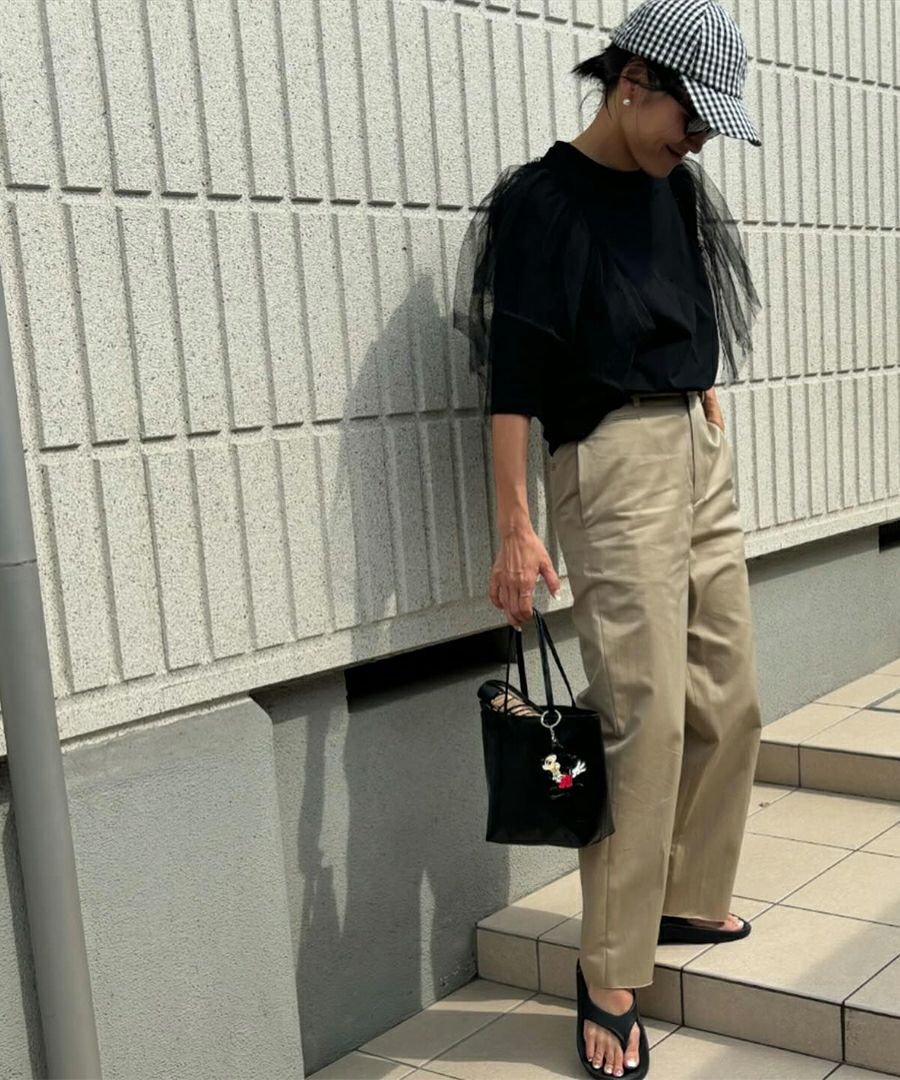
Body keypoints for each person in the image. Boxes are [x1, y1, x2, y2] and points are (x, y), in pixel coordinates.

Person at [452, 0, 764, 1076]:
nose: (699, 142)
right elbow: (515, 379)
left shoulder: (670, 185)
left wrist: (699, 394)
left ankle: (682, 895)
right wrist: (514, 525)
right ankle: (610, 967)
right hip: (612, 459)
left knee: (729, 694)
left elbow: (682, 302)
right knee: (642, 715)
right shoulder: (545, 204)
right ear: (633, 83)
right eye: (693, 118)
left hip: (694, 442)